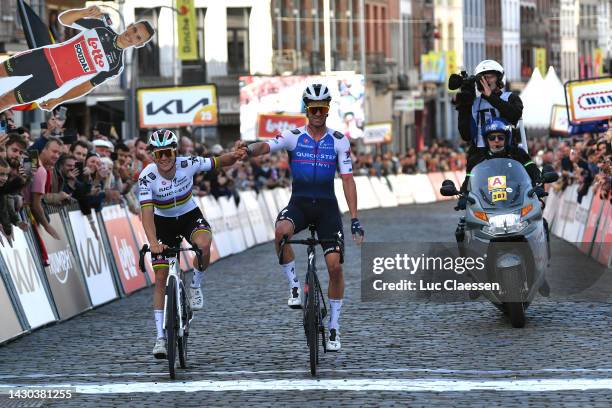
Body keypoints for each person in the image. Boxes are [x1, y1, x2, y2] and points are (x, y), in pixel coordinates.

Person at [240, 83, 365, 352]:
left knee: (335, 267)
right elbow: (267, 146)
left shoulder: (340, 140)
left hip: (327, 209)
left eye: (322, 108)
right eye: (313, 109)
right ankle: (295, 286)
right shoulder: (293, 136)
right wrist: (248, 150)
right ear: (306, 110)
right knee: (280, 232)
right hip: (299, 204)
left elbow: (347, 180)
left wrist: (354, 218)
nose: (318, 113)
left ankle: (333, 326)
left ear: (328, 110)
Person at [138, 129, 245, 359]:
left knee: (204, 244)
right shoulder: (147, 176)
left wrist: (235, 155)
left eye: (167, 152)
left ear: (175, 152)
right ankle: (160, 339)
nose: (164, 158)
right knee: (159, 279)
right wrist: (153, 242)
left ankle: (196, 285)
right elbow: (146, 213)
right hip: (162, 222)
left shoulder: (189, 163)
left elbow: (218, 162)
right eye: (158, 154)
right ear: (153, 156)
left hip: (188, 215)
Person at [0, 6, 156, 112]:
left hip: (50, 81)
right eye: (134, 29)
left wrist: (59, 99)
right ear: (129, 25)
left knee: (5, 101)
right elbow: (64, 20)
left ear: (139, 44)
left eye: (138, 37)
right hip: (42, 58)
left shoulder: (116, 66)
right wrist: (84, 12)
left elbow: (86, 86)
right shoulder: (101, 27)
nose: (132, 36)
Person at [459, 117, 550, 297]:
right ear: (486, 139)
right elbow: (469, 181)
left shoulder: (518, 154)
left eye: (500, 137)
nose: (496, 141)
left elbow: (534, 174)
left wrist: (539, 186)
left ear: (506, 138)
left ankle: (542, 272)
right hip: (488, 206)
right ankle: (474, 276)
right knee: (461, 229)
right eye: (492, 138)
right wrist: (462, 196)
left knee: (543, 223)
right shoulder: (477, 157)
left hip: (516, 202)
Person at [456, 60, 523, 161]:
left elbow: (514, 115)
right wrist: (464, 106)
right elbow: (465, 135)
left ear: (499, 79)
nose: (487, 80)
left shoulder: (510, 97)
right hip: (480, 156)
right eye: (484, 77)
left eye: (490, 76)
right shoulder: (474, 103)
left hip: (507, 153)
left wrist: (491, 97)